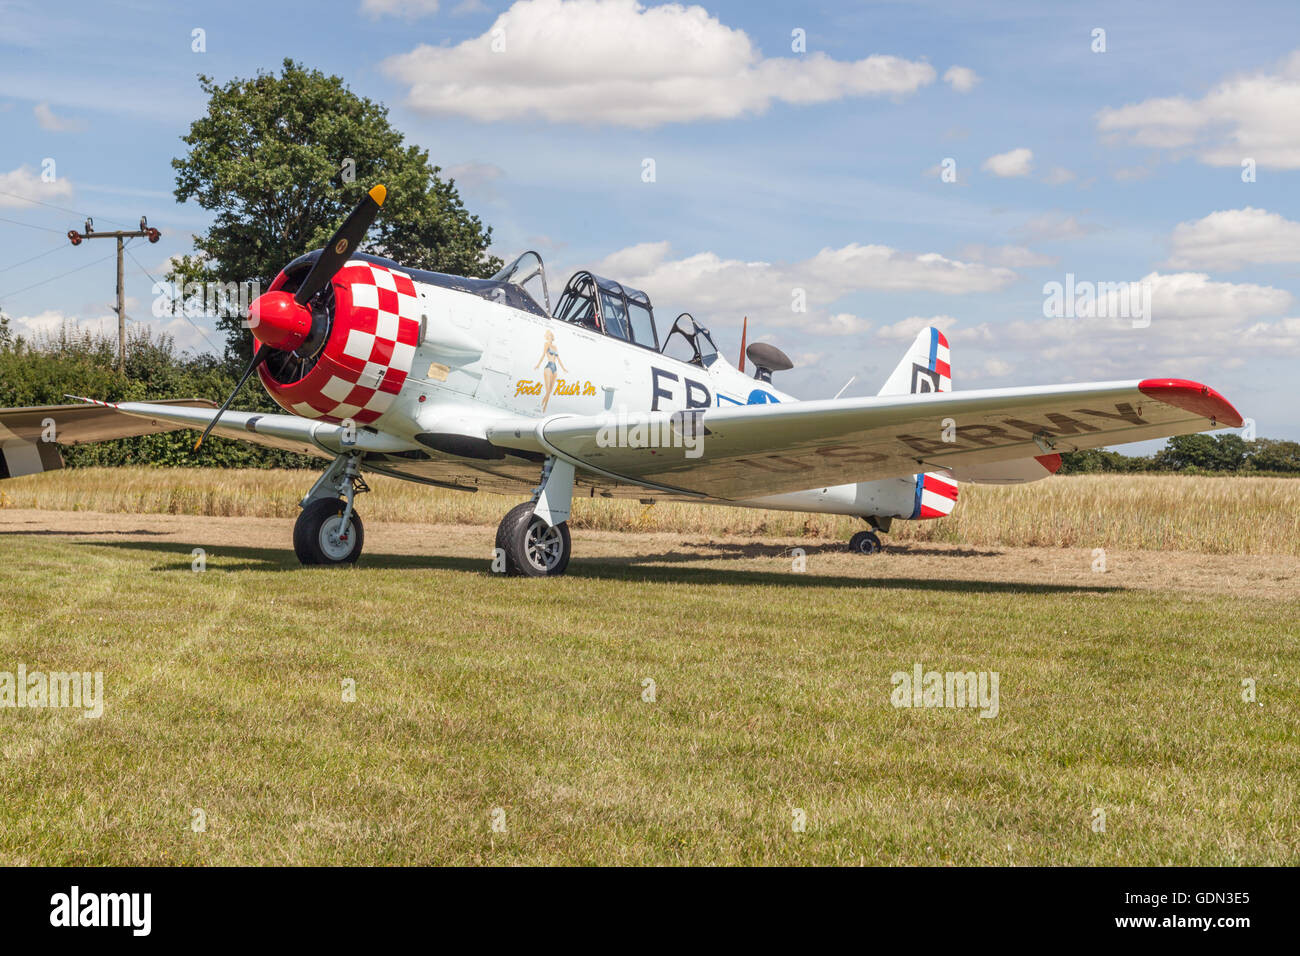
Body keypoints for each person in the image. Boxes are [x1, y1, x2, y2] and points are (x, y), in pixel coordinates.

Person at [534, 330, 568, 413]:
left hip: (555, 367)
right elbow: (543, 355)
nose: (549, 337)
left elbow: (558, 359)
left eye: (550, 335)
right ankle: (544, 407)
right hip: (549, 366)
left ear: (552, 337)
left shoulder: (555, 347)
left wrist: (563, 368)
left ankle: (543, 405)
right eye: (548, 335)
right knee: (548, 390)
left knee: (550, 390)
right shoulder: (546, 344)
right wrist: (538, 365)